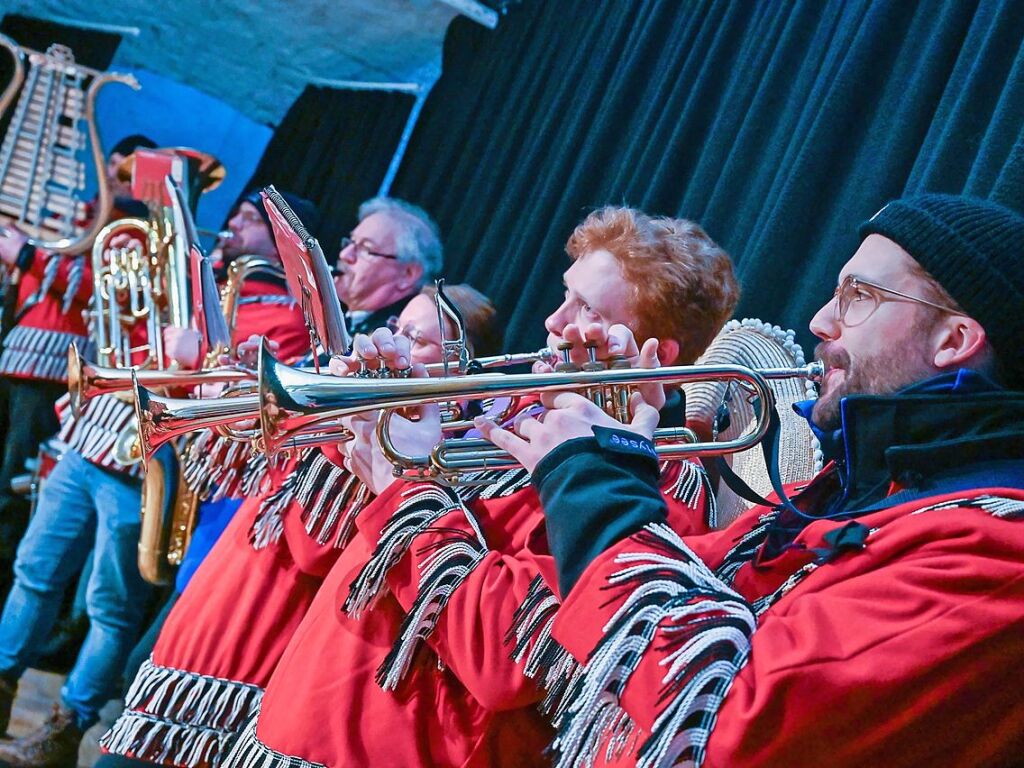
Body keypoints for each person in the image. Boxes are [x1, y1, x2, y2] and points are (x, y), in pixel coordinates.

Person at [477, 194, 1024, 767]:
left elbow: (725, 726)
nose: (821, 320)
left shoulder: (993, 549)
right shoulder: (845, 490)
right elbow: (636, 599)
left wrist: (589, 482)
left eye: (858, 296)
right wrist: (617, 444)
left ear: (954, 341)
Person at [222, 206, 740, 767]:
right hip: (297, 726)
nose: (552, 320)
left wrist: (411, 483)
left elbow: (504, 662)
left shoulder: (653, 491)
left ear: (655, 355)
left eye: (586, 307)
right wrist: (370, 420)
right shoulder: (509, 411)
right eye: (565, 294)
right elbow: (318, 544)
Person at [95, 283, 501, 768]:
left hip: (255, 642)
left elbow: (312, 547)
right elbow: (246, 483)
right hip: (220, 597)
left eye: (418, 339)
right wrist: (243, 395)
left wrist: (341, 430)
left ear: (458, 366)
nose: (395, 342)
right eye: (398, 328)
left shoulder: (416, 448)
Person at [0, 192, 318, 767]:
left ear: (281, 244)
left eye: (252, 221)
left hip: (145, 462)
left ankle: (65, 724)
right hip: (89, 439)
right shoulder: (194, 282)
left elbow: (239, 406)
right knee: (33, 571)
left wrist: (193, 362)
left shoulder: (284, 317)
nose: (235, 226)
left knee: (109, 603)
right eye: (239, 215)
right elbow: (116, 329)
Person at [0, 135, 155, 573]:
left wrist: (29, 255)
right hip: (17, 351)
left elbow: (108, 295)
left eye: (129, 173)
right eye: (114, 167)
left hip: (59, 365)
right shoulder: (74, 216)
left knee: (15, 481)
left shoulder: (132, 235)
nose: (115, 178)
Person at [334, 196, 443, 335]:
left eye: (366, 249)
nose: (345, 254)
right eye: (351, 242)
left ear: (408, 274)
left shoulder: (393, 341)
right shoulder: (340, 320)